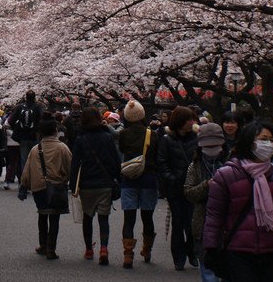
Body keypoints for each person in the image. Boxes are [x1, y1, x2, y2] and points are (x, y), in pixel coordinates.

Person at [203, 121, 273, 282]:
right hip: (240, 252)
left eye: (272, 140)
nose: (269, 144)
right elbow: (214, 215)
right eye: (264, 139)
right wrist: (210, 247)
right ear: (249, 142)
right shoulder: (226, 175)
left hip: (272, 251)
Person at [69, 106, 121, 265]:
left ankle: (88, 249)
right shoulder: (107, 137)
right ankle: (104, 248)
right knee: (103, 218)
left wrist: (73, 185)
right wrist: (116, 178)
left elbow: (75, 163)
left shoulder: (80, 139)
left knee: (88, 217)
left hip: (87, 184)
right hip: (105, 183)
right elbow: (115, 160)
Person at [185, 123, 229, 282]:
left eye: (215, 145)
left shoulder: (232, 163)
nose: (211, 150)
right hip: (203, 222)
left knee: (230, 272)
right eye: (208, 146)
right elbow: (188, 192)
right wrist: (207, 185)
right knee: (208, 269)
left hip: (230, 224)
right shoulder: (195, 166)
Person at [20, 118, 72, 259]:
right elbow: (70, 166)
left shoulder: (35, 149)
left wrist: (24, 185)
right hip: (57, 186)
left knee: (42, 214)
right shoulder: (62, 148)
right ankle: (51, 248)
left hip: (39, 188)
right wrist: (67, 180)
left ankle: (42, 245)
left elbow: (27, 169)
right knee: (54, 218)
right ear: (55, 131)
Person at [119, 99, 160, 268]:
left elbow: (122, 150)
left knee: (129, 218)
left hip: (129, 178)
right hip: (148, 178)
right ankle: (147, 249)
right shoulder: (152, 134)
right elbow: (156, 155)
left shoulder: (123, 134)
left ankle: (128, 255)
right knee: (147, 216)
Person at [158, 105, 199, 270]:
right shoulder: (167, 140)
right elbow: (162, 163)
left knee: (192, 222)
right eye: (189, 119)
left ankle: (192, 251)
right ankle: (178, 256)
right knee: (178, 222)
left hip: (193, 188)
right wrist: (172, 179)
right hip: (175, 189)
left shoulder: (196, 139)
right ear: (181, 121)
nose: (192, 122)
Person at [9, 90, 44, 189]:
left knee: (24, 160)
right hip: (34, 136)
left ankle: (24, 182)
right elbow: (42, 119)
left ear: (26, 97)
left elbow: (11, 120)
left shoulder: (20, 107)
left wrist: (17, 129)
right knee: (35, 159)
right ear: (34, 97)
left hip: (23, 137)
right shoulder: (38, 107)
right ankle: (35, 182)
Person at [3, 118, 20, 190]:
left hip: (10, 143)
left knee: (11, 163)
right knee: (20, 164)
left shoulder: (8, 120)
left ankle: (7, 181)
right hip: (20, 143)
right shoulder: (20, 119)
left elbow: (6, 131)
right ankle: (21, 182)